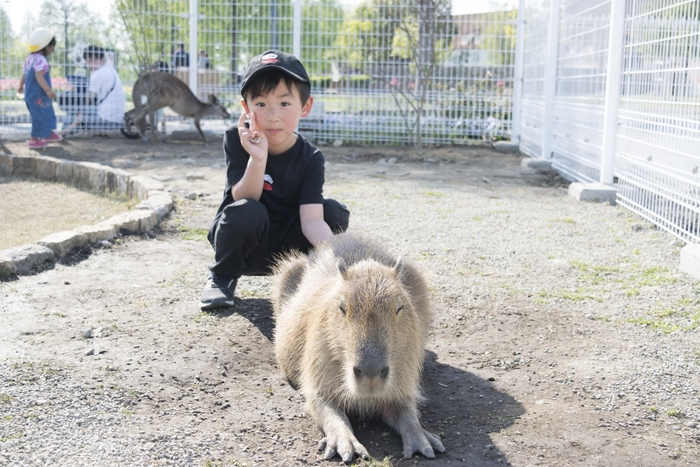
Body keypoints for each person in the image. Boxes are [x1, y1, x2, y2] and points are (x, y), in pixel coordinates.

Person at [199, 50, 350, 310]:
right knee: (247, 210)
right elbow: (243, 197)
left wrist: (341, 251)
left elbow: (312, 220)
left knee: (333, 212)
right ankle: (222, 278)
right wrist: (257, 159)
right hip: (247, 246)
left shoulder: (311, 157)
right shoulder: (237, 139)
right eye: (260, 104)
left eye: (284, 103)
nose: (272, 115)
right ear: (245, 108)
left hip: (288, 247)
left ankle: (309, 279)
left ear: (305, 106)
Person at [62, 45, 126, 134]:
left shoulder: (98, 74)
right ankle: (67, 133)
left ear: (102, 59)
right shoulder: (111, 71)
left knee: (73, 109)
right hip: (117, 120)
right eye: (88, 61)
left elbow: (87, 100)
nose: (90, 64)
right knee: (79, 112)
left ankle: (65, 134)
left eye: (93, 60)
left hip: (107, 122)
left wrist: (79, 116)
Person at [18, 28, 63, 149]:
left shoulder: (30, 58)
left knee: (44, 113)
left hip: (31, 95)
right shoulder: (41, 60)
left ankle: (47, 133)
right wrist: (48, 90)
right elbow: (39, 76)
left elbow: (25, 74)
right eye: (52, 47)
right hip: (38, 94)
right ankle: (34, 139)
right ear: (47, 47)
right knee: (41, 115)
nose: (52, 50)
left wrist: (20, 85)